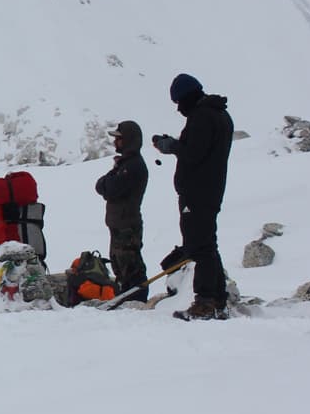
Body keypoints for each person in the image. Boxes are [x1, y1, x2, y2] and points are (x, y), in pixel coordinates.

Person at [151, 73, 235, 321]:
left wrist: (171, 146)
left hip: (198, 192)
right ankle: (217, 300)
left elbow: (193, 154)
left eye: (179, 102)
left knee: (200, 246)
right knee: (207, 243)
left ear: (187, 97)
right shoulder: (219, 114)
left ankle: (206, 302)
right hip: (211, 189)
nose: (179, 109)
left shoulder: (202, 117)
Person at [94, 120, 148, 303]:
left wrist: (110, 180)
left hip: (127, 224)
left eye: (119, 139)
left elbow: (108, 187)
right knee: (120, 264)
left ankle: (136, 299)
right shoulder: (125, 164)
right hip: (119, 223)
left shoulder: (132, 166)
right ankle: (127, 297)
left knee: (130, 264)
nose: (115, 142)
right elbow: (102, 185)